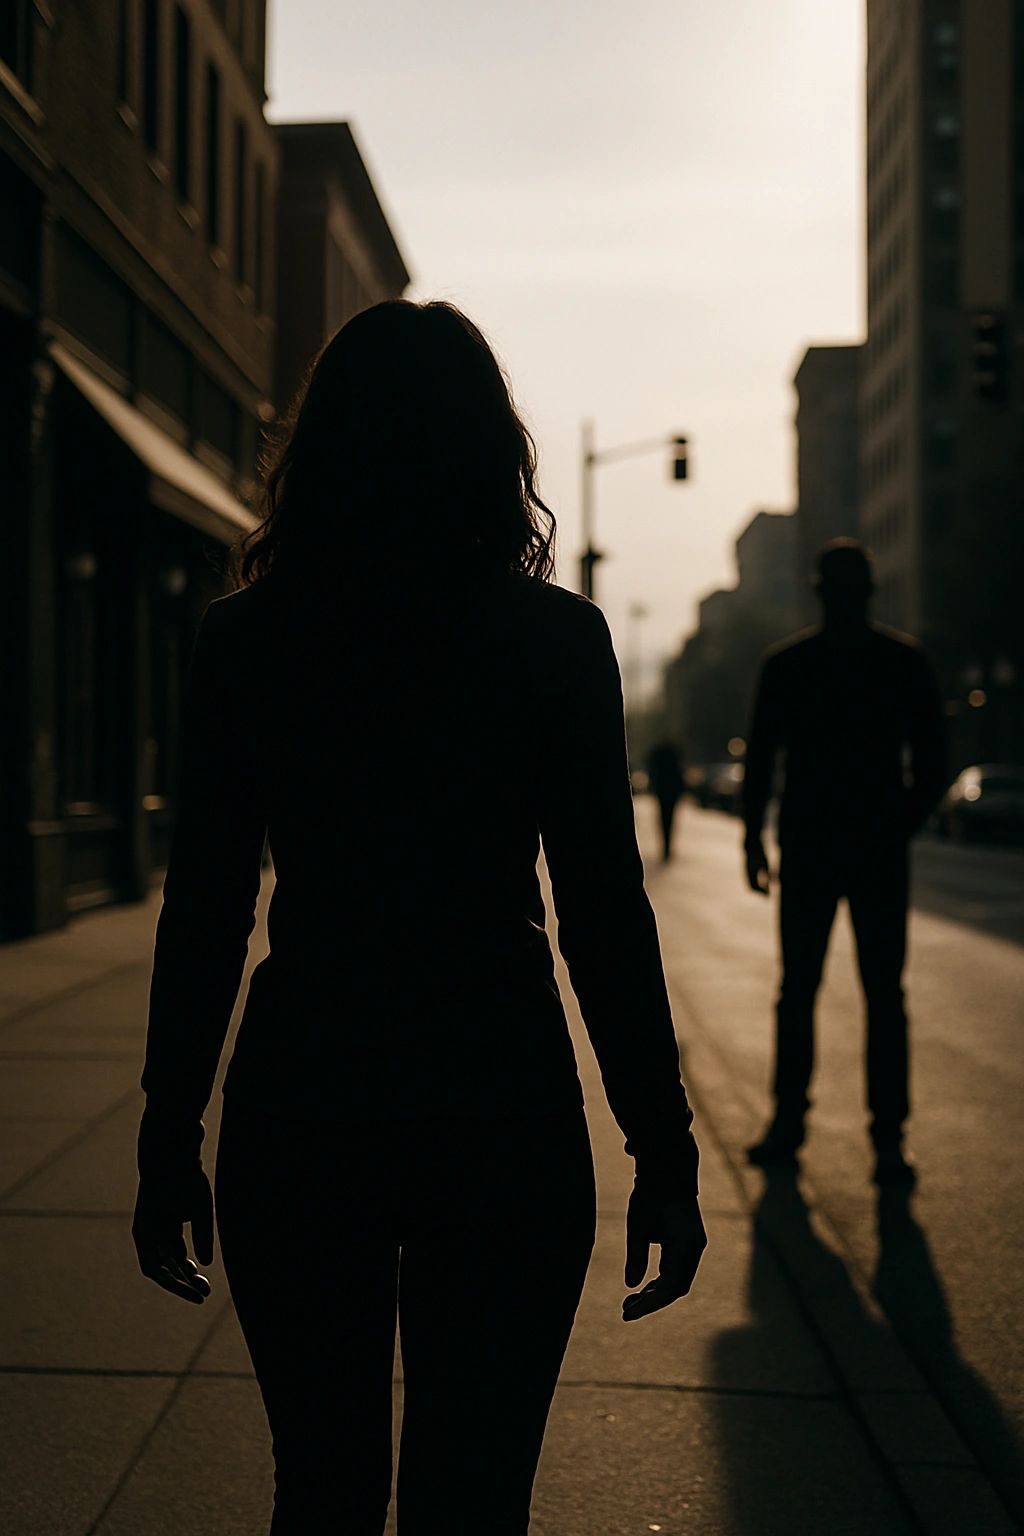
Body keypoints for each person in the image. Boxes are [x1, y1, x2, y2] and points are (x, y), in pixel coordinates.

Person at [131, 300, 707, 1535]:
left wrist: (168, 1128)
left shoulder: (249, 643)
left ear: (321, 448)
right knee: (475, 1497)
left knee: (323, 1490)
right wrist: (661, 1147)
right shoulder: (554, 643)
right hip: (498, 1098)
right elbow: (603, 909)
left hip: (306, 1096)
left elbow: (209, 908)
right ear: (492, 454)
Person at [741, 539, 945, 1185]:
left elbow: (762, 760)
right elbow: (933, 761)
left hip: (814, 845)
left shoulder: (790, 664)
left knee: (804, 991)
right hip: (862, 848)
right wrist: (900, 825)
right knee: (877, 995)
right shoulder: (899, 661)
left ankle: (794, 1124)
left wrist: (755, 839)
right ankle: (883, 1139)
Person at [646, 739, 686, 861]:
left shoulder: (658, 761)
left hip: (662, 791)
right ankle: (667, 847)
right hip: (671, 792)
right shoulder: (674, 761)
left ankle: (665, 848)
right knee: (670, 820)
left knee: (663, 819)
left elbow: (652, 773)